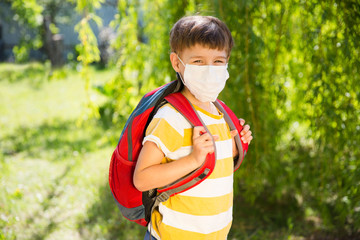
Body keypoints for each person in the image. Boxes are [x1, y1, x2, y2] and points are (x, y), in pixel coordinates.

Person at [133, 15, 253, 240]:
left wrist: (236, 147)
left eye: (218, 61)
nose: (210, 70)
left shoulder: (221, 113)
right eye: (198, 61)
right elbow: (142, 179)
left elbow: (214, 167)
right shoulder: (171, 117)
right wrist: (192, 160)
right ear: (177, 62)